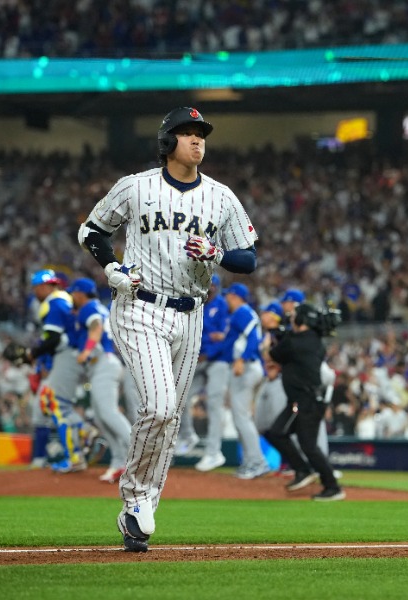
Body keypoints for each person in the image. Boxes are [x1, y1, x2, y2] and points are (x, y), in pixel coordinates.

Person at [77, 106, 258, 552]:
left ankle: (142, 506)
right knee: (158, 407)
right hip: (140, 306)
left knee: (171, 416)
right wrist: (112, 267)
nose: (197, 140)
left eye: (201, 133)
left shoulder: (220, 196)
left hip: (191, 314)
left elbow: (249, 259)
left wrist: (216, 253)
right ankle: (136, 497)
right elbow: (92, 231)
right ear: (167, 141)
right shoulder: (136, 187)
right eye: (187, 132)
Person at [264, 302, 345, 501]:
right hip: (305, 400)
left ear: (301, 319)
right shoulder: (313, 340)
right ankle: (303, 470)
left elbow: (271, 355)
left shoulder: (295, 342)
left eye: (294, 316)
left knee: (306, 445)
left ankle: (332, 486)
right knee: (277, 433)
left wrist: (268, 341)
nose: (291, 319)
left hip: (305, 401)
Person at [67, 277, 132, 483]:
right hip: (103, 366)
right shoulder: (98, 308)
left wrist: (86, 350)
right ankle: (119, 462)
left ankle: (138, 455)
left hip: (103, 363)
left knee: (108, 413)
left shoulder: (89, 307)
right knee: (100, 417)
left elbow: (96, 327)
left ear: (80, 293)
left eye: (73, 293)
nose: (72, 296)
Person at [26, 269, 88, 473]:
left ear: (45, 287)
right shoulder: (63, 300)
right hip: (70, 355)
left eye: (37, 287)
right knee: (51, 402)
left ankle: (77, 449)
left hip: (67, 354)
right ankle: (83, 435)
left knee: (56, 404)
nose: (35, 292)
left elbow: (53, 338)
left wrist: (32, 353)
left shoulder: (55, 302)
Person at [221, 282, 272, 479]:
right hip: (246, 366)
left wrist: (242, 359)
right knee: (239, 417)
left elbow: (253, 338)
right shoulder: (240, 314)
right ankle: (251, 461)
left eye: (228, 295)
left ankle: (258, 462)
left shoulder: (242, 312)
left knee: (242, 417)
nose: (226, 298)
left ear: (234, 296)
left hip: (247, 366)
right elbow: (230, 344)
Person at [182, 273, 231, 469]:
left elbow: (225, 337)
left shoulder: (222, 305)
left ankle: (213, 452)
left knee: (213, 404)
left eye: (212, 286)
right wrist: (210, 337)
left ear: (216, 287)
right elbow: (193, 334)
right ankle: (188, 436)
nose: (209, 289)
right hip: (199, 358)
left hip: (218, 360)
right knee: (181, 397)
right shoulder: (196, 305)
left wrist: (208, 347)